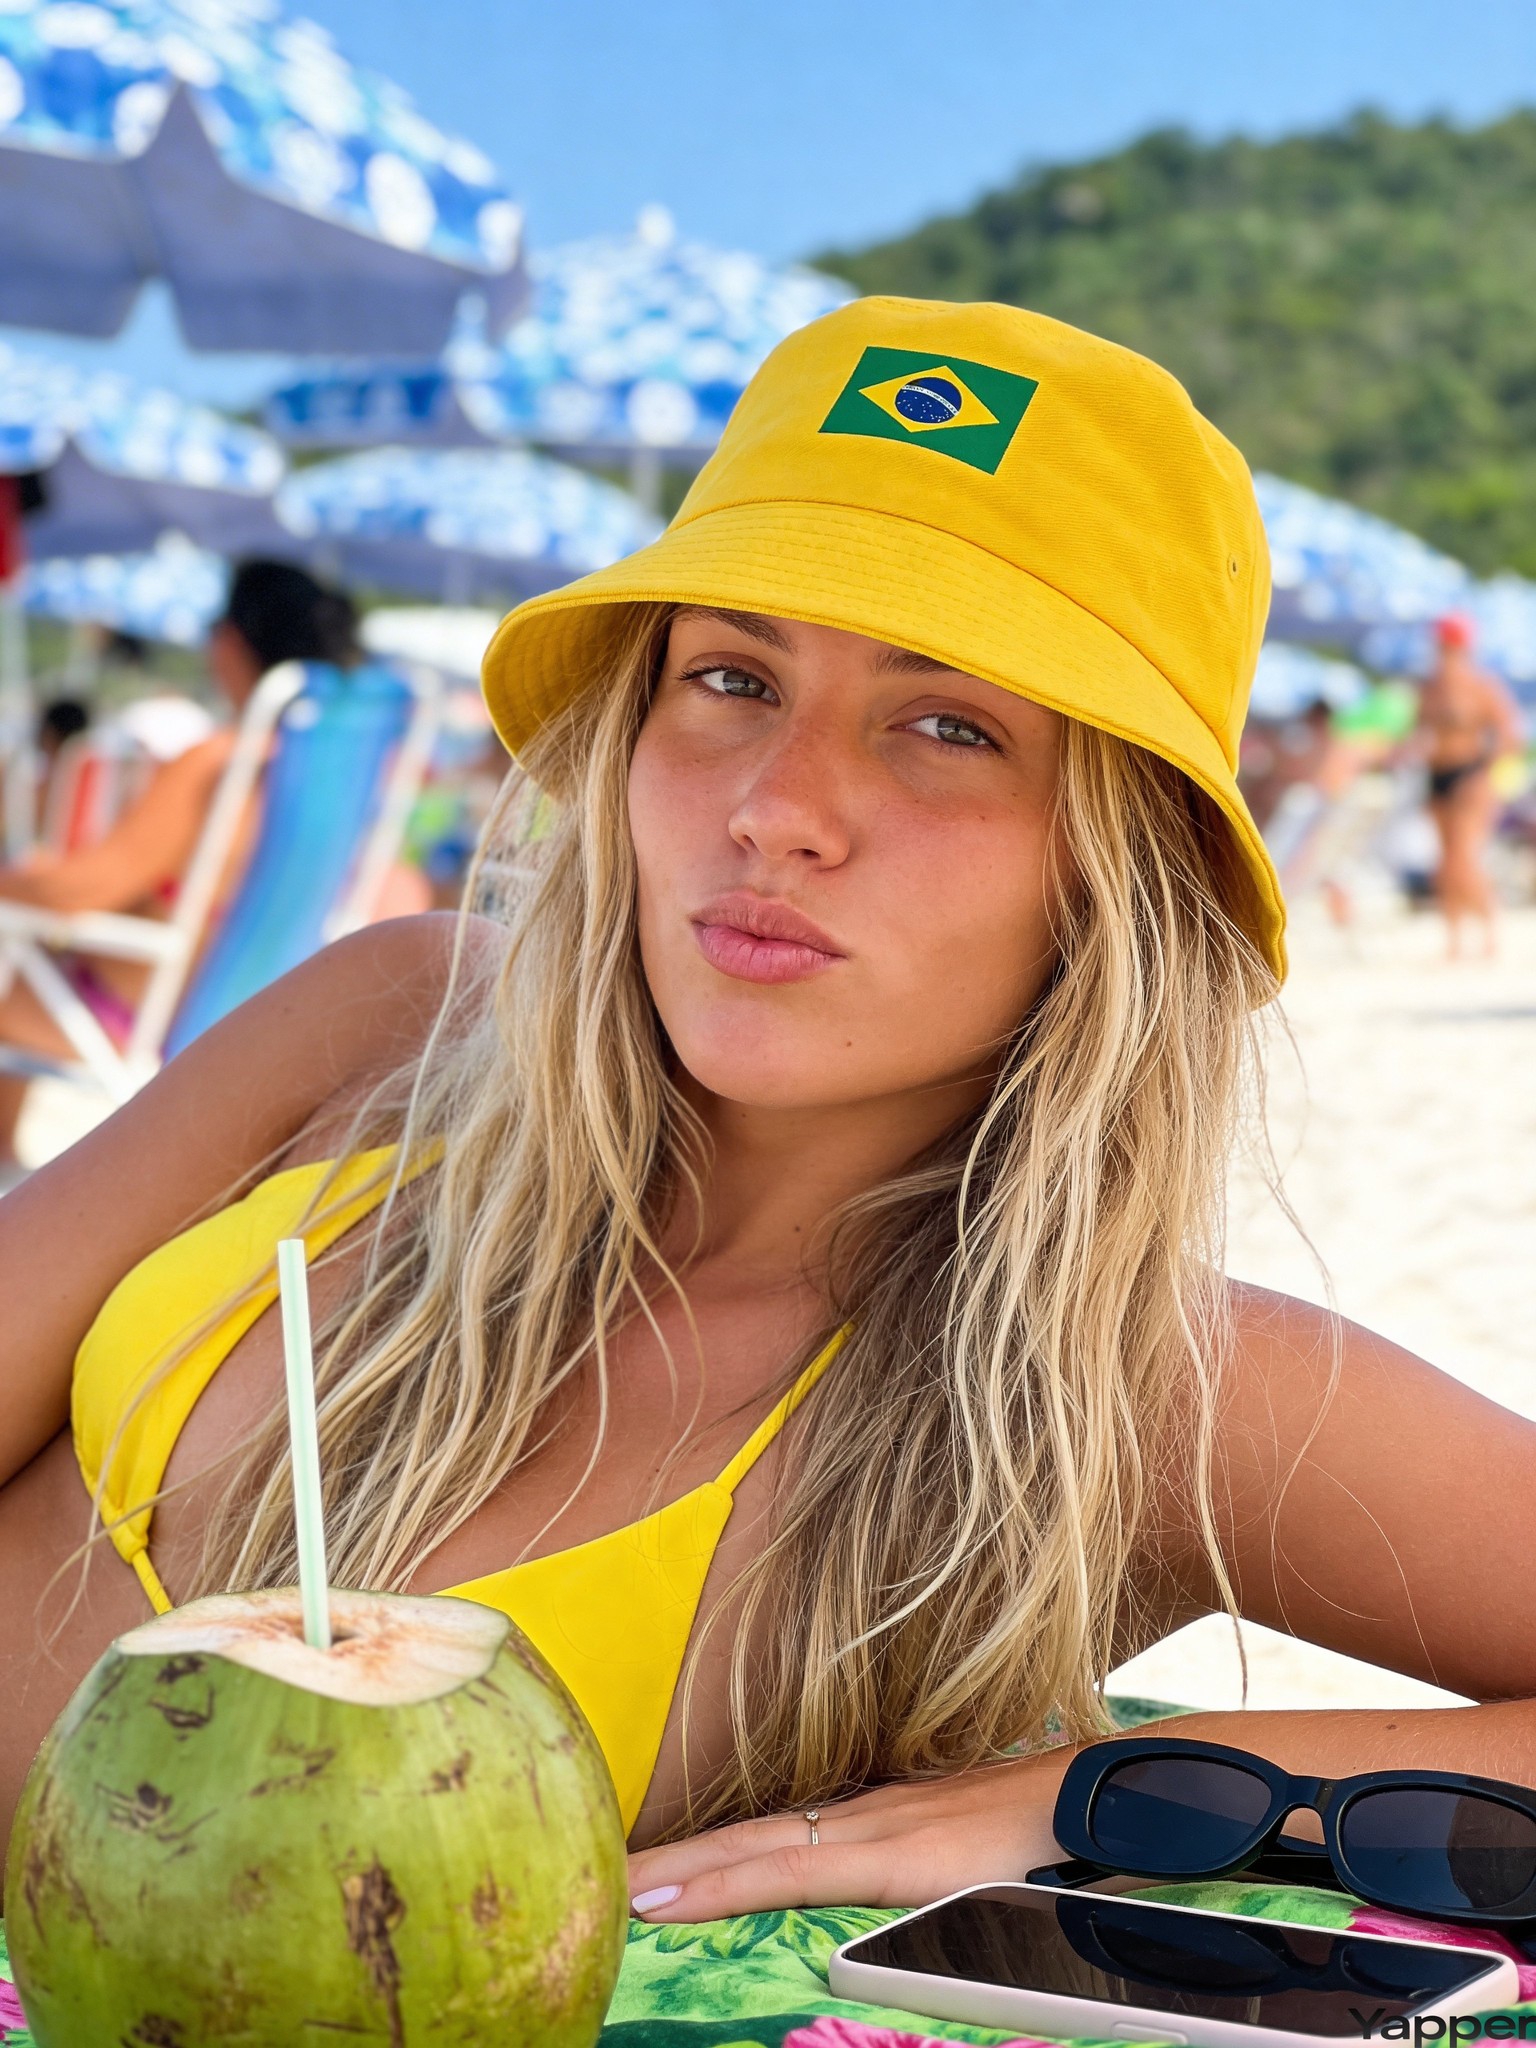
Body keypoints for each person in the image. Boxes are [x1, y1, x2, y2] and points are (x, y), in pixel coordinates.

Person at [6, 301, 1536, 1923]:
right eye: (731, 676)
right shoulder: (395, 1027)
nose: (776, 807)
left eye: (950, 725)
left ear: (1118, 867)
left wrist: (1112, 1792)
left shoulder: (1119, 1390)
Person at [0, 561, 361, 1169]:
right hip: (229, 1015)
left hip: (117, 1015)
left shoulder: (223, 760)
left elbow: (84, 886)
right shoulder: (330, 773)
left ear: (231, 641)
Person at [1411, 612, 1524, 958]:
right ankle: (1455, 939)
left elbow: (1510, 736)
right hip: (1437, 775)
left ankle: (1490, 926)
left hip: (1470, 774)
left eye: (1451, 646)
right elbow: (1416, 734)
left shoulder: (1480, 686)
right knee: (1445, 861)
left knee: (1461, 859)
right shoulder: (1427, 687)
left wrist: (1483, 775)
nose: (1446, 652)